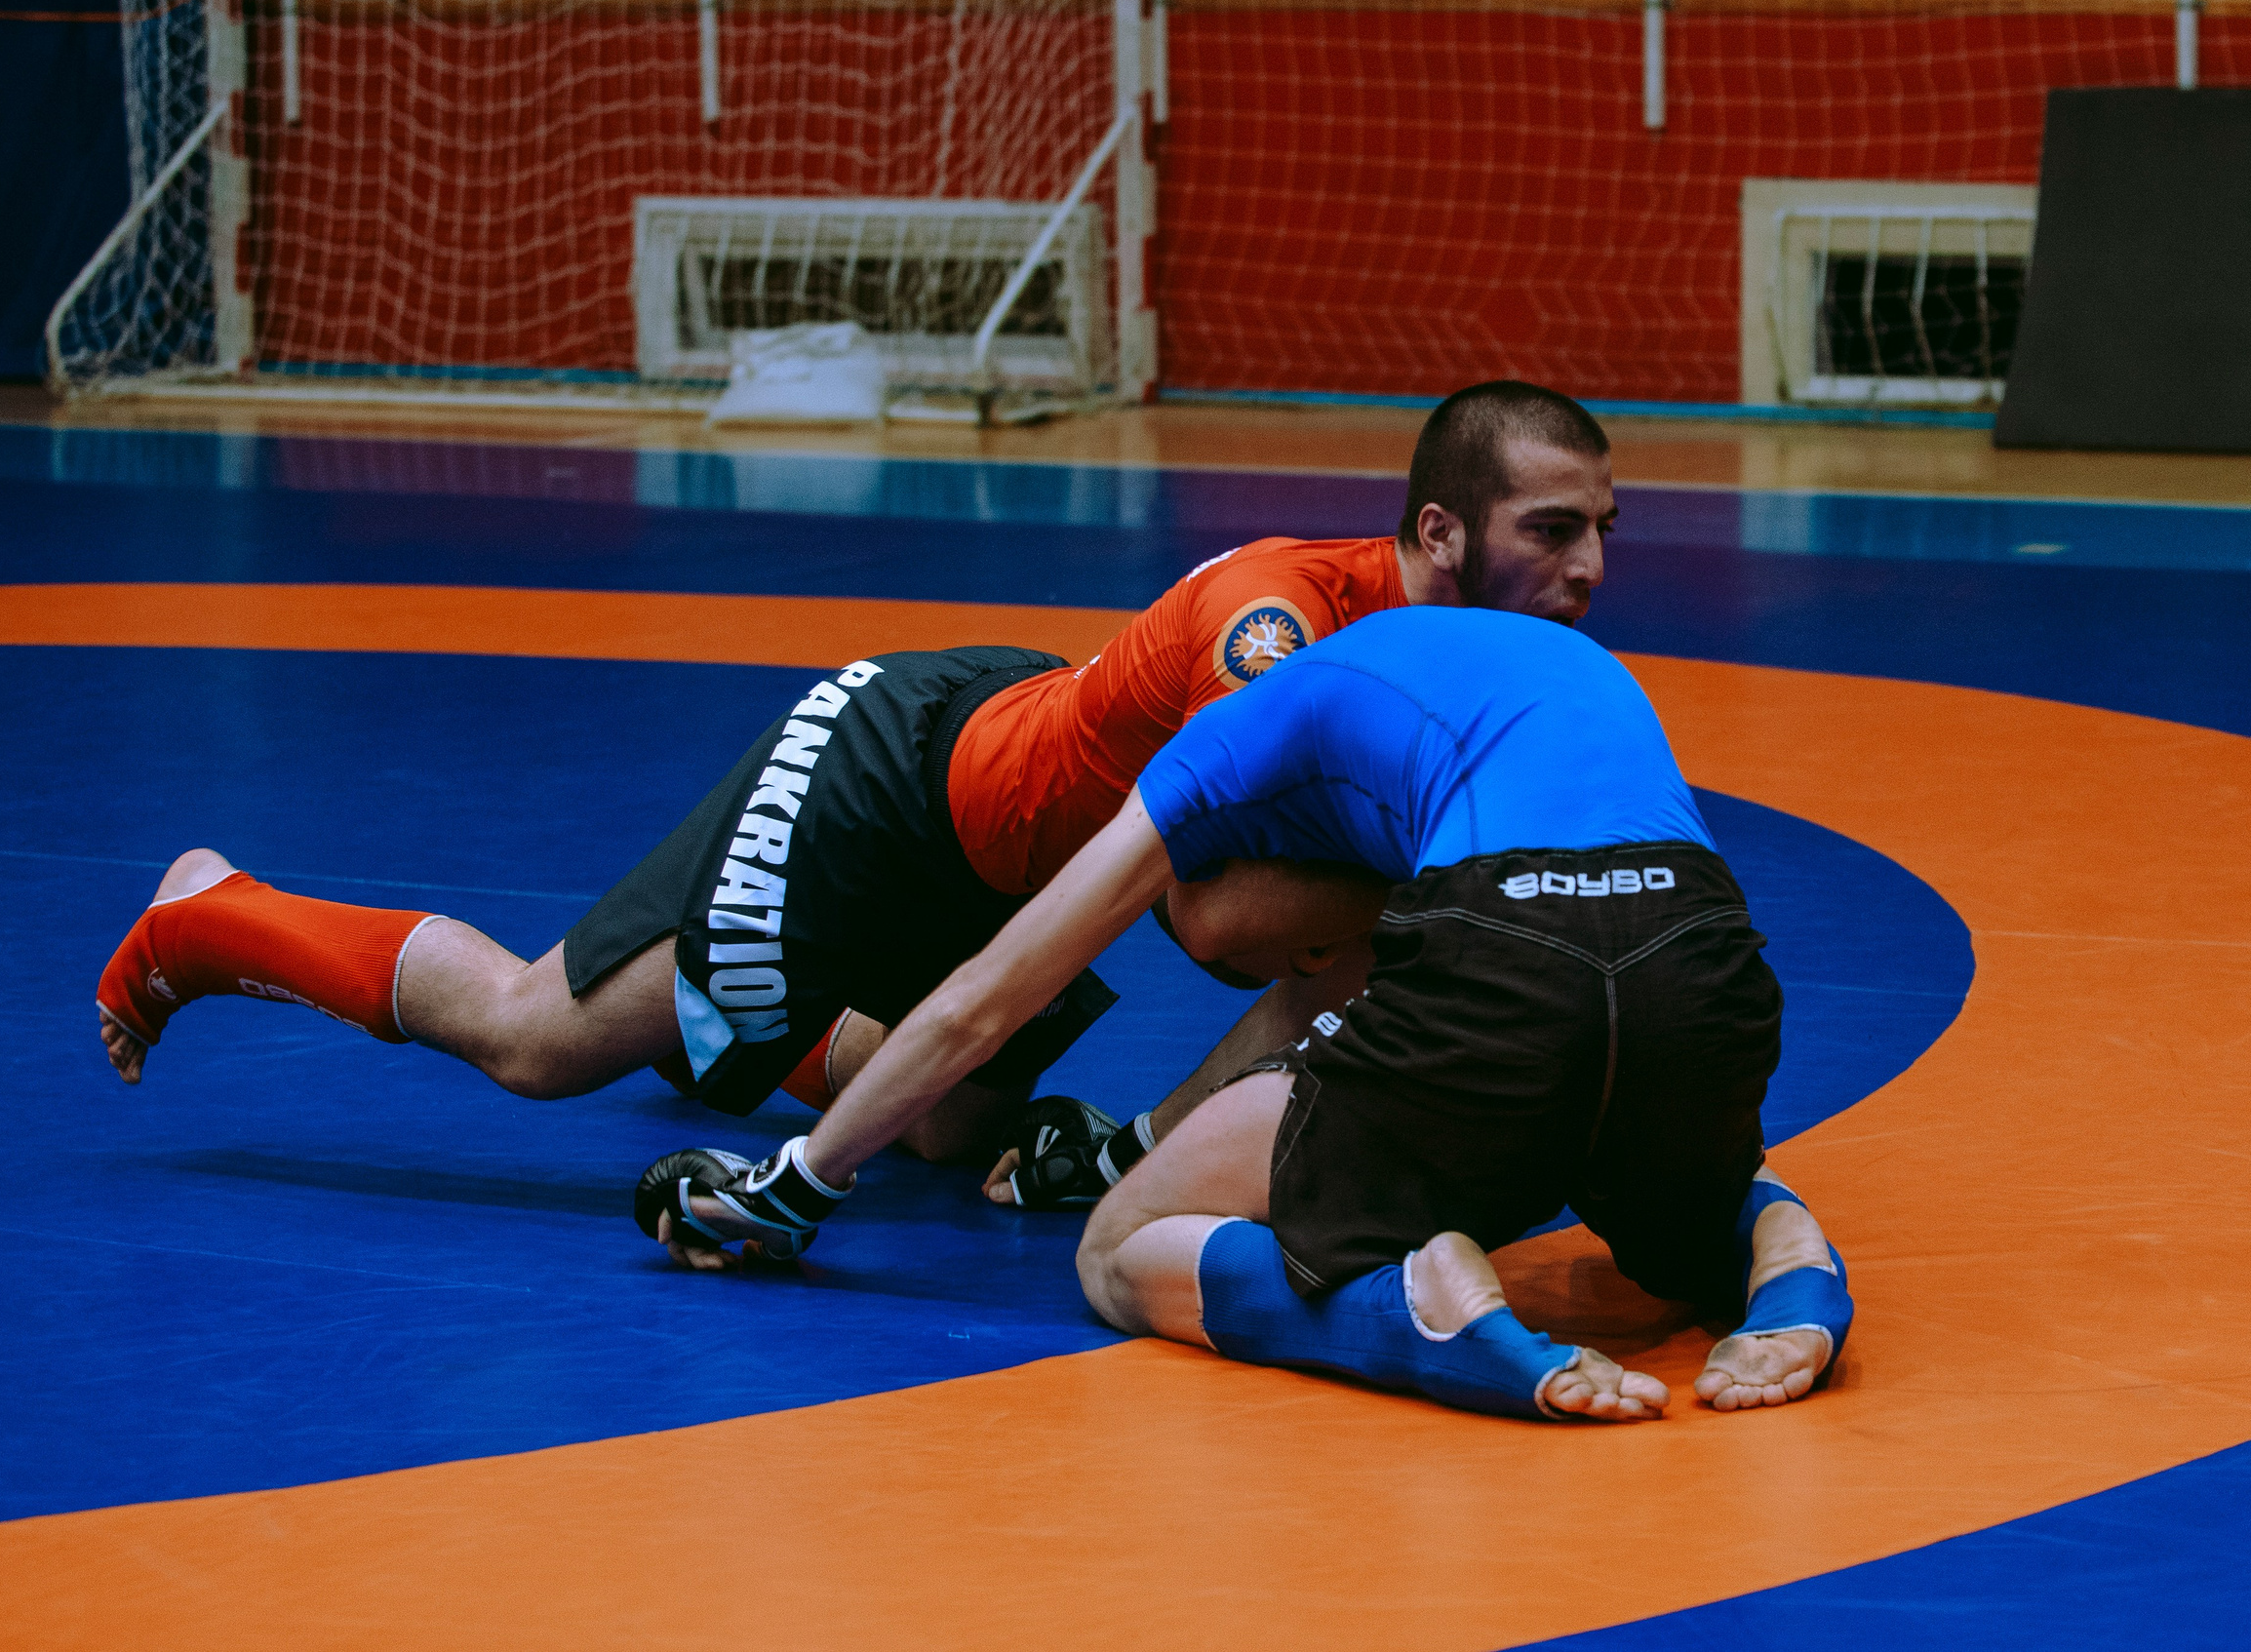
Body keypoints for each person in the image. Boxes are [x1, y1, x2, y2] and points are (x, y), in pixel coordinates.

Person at [96, 383, 1621, 1168]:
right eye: (1550, 532)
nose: (1590, 569)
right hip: (896, 796)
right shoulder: (1278, 633)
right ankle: (207, 915)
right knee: (541, 1038)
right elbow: (1220, 929)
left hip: (1018, 837)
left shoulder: (1465, 657)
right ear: (1436, 537)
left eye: (1602, 531)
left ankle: (731, 1042)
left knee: (953, 1137)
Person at [640, 608, 1851, 1420]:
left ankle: (1407, 1310)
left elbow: (982, 1001)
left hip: (1504, 977)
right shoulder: (1540, 659)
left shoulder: (1223, 741)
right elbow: (1606, 954)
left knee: (1118, 1251)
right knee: (1634, 1153)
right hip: (1707, 964)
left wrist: (800, 1180)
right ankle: (1785, 1260)